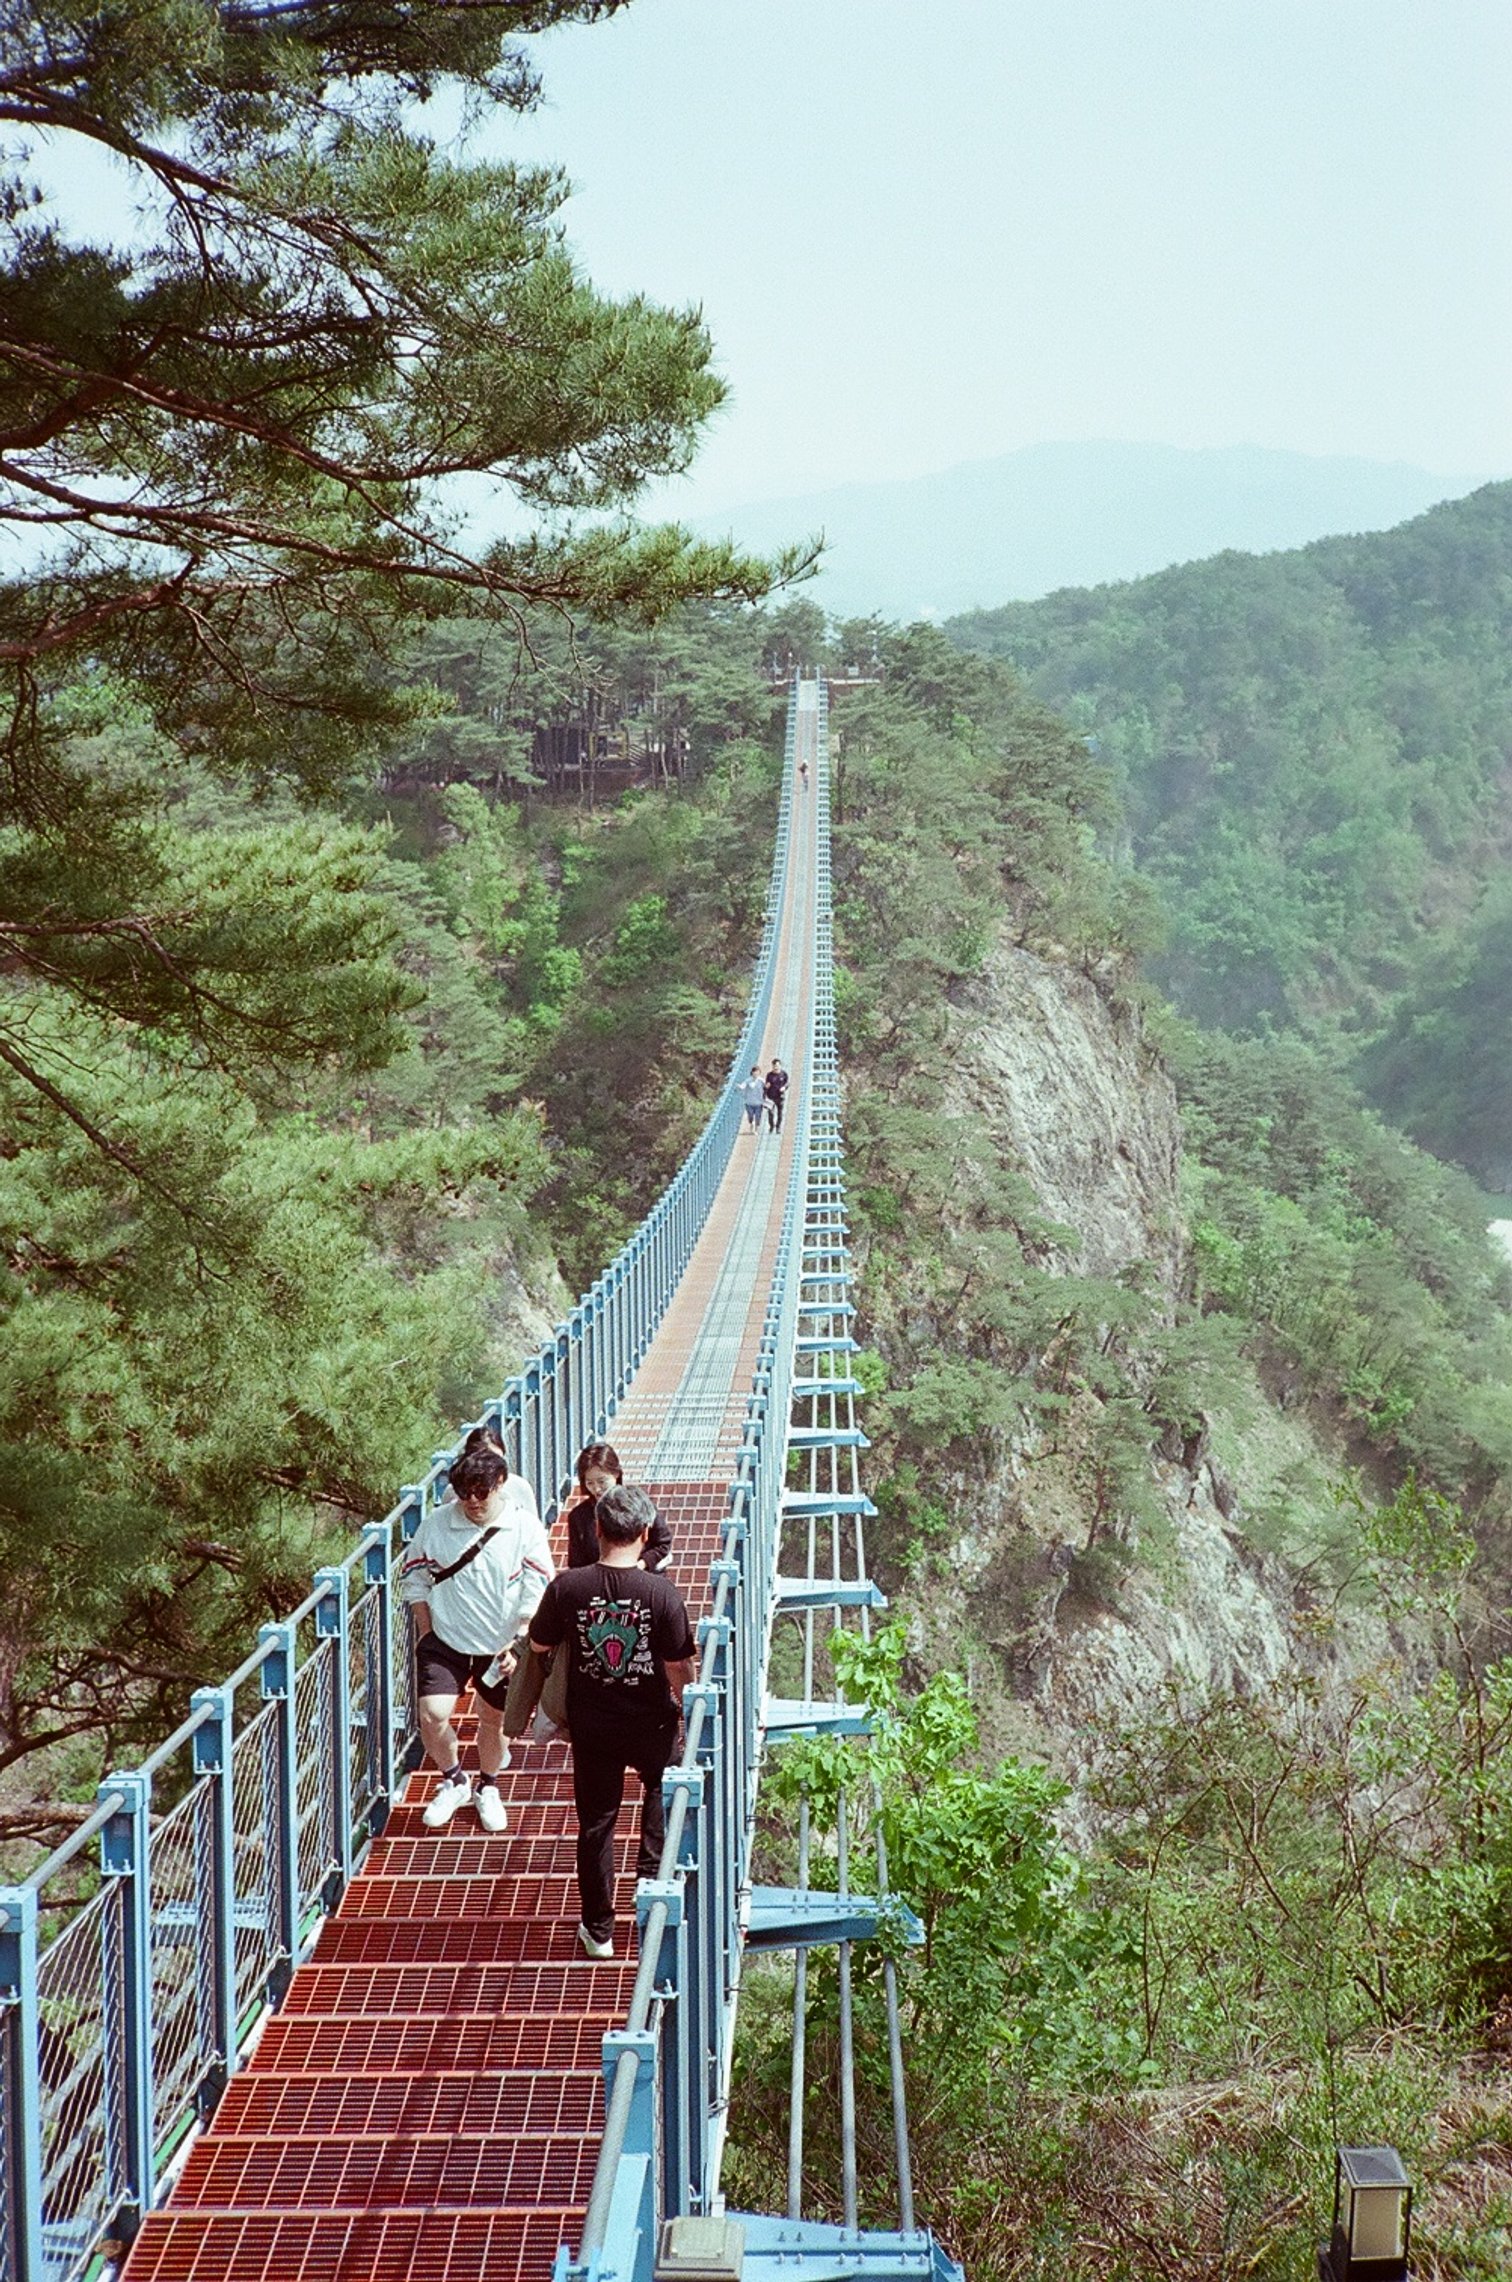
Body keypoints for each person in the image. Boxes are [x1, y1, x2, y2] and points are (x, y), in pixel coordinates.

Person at [528, 1484, 697, 1959]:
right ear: (645, 1534)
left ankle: (598, 1930)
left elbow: (539, 1647)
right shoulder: (661, 1593)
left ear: (597, 1529)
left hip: (592, 1726)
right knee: (661, 1790)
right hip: (652, 1723)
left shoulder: (567, 1587)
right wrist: (688, 1707)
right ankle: (650, 1892)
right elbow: (679, 1665)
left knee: (597, 1824)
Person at [401, 1442, 552, 1833]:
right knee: (432, 1715)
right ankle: (454, 1780)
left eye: (481, 1492)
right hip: (446, 1639)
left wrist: (520, 1640)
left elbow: (537, 1589)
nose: (472, 1501)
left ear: (501, 1483)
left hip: (500, 1643)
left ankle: (488, 1786)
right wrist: (425, 1632)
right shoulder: (437, 1523)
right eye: (465, 1493)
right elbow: (415, 1578)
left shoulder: (524, 1527)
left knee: (494, 1719)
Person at [563, 1442, 672, 1571]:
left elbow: (662, 1543)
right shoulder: (578, 1517)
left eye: (602, 1481)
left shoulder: (638, 1503)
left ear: (616, 1474)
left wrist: (641, 1565)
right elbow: (576, 1564)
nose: (597, 1489)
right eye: (590, 1483)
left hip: (641, 1578)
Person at [763, 1059, 789, 1133]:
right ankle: (771, 1126)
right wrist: (766, 1087)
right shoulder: (769, 1075)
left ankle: (778, 1127)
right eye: (774, 1066)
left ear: (780, 1066)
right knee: (771, 1113)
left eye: (777, 1066)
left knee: (780, 1113)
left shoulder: (784, 1074)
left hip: (780, 1097)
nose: (776, 1067)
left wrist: (784, 1087)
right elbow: (766, 1084)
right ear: (772, 1066)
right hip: (771, 1096)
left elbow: (787, 1083)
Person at [740, 1065, 765, 1132]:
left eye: (757, 1073)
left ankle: (756, 1130)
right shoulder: (748, 1080)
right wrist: (740, 1087)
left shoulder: (761, 1081)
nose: (756, 1074)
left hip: (759, 1102)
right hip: (749, 1102)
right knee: (750, 1116)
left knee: (758, 1117)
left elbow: (767, 1087)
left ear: (759, 1073)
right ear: (752, 1073)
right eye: (755, 1073)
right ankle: (751, 1123)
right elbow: (743, 1086)